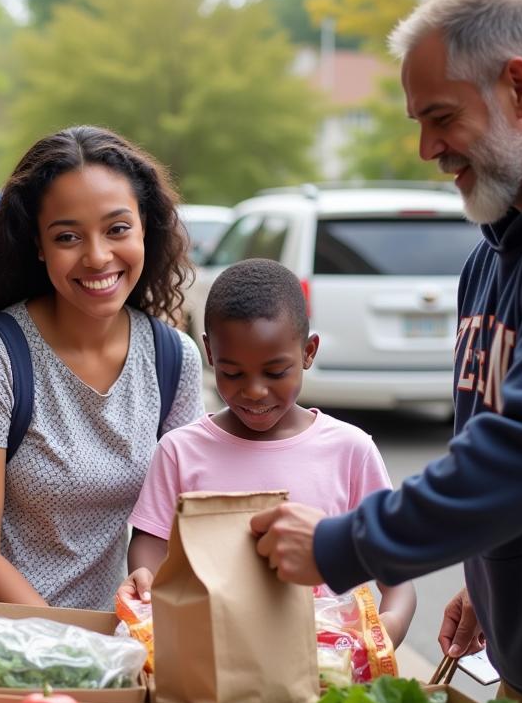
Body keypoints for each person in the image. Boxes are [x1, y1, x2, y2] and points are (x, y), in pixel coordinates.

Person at [251, 0, 522, 703]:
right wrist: (485, 568)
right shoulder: (494, 248)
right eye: (420, 124)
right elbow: (486, 433)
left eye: (442, 117)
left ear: (519, 86)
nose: (427, 148)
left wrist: (340, 545)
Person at [0, 125, 204, 612]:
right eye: (68, 236)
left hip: (106, 644)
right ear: (38, 245)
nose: (97, 256)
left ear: (146, 226)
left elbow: (177, 524)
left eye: (117, 228)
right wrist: (74, 650)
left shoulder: (175, 360)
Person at [117, 259, 416, 646]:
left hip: (324, 662)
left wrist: (388, 625)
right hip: (209, 655)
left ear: (309, 352)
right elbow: (150, 542)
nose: (255, 391)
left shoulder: (350, 450)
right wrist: (145, 577)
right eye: (233, 373)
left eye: (275, 372)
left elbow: (395, 573)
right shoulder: (180, 450)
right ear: (210, 353)